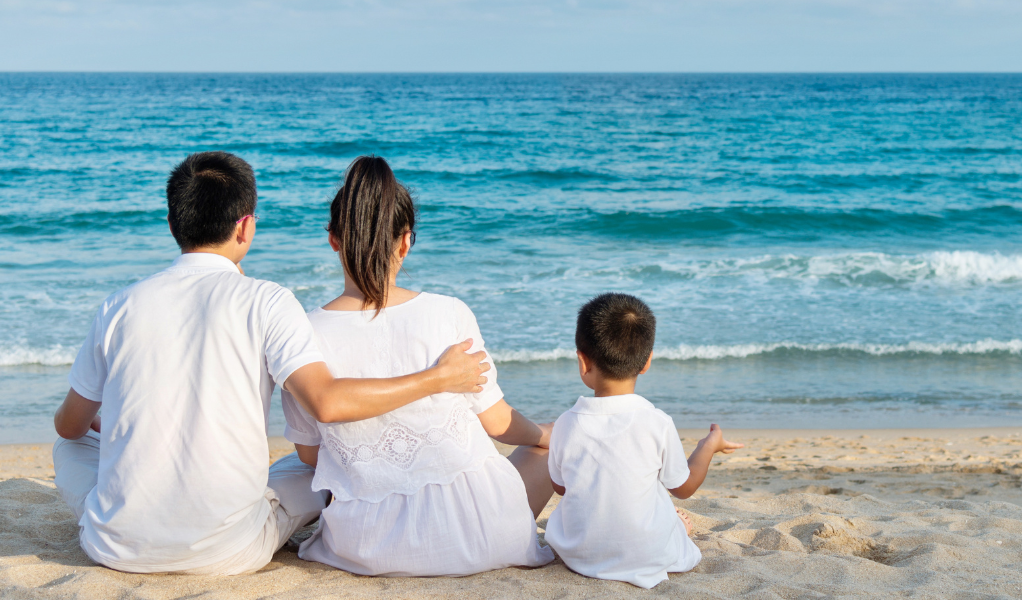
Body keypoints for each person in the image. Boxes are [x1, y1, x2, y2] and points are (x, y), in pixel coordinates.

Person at [47, 151, 492, 576]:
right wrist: (439, 377)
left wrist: (110, 425)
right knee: (306, 468)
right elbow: (326, 402)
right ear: (245, 227)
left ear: (172, 224)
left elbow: (69, 427)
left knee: (70, 447)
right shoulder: (266, 301)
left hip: (116, 549)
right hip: (231, 549)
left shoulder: (119, 306)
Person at [280, 156, 556, 576]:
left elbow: (310, 454)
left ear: (334, 239)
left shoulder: (304, 332)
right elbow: (498, 424)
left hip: (367, 548)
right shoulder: (449, 313)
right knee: (542, 453)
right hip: (483, 536)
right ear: (406, 241)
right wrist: (543, 436)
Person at [544, 293, 745, 589]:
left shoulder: (566, 423)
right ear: (647, 361)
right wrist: (708, 446)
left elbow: (561, 487)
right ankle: (679, 530)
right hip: (648, 556)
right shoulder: (656, 422)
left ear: (583, 362)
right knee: (667, 508)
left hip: (580, 555)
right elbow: (684, 488)